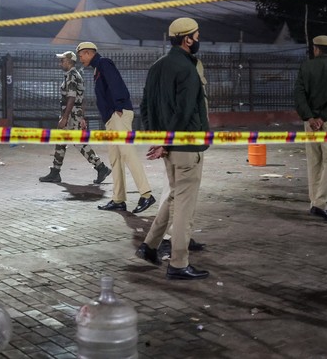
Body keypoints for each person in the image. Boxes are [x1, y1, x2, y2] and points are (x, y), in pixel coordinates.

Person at [135, 18, 210, 280]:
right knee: (184, 209)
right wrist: (166, 141)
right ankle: (178, 263)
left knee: (174, 196)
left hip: (169, 147)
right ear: (187, 39)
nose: (199, 39)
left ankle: (149, 245)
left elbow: (145, 106)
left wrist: (157, 138)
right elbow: (184, 111)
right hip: (186, 146)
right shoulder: (187, 69)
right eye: (197, 35)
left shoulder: (157, 67)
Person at [76, 41, 155, 214]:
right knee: (115, 158)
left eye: (81, 55)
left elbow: (116, 84)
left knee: (127, 154)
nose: (80, 58)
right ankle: (118, 199)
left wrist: (119, 107)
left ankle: (146, 194)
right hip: (111, 119)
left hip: (118, 115)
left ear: (89, 53)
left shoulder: (104, 63)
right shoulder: (97, 69)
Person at [294, 35, 327, 221]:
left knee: (314, 162)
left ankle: (314, 203)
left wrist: (310, 117)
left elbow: (298, 95)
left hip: (310, 124)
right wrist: (323, 117)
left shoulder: (306, 66)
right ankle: (320, 203)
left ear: (316, 49)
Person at [38, 50, 111, 184]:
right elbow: (82, 99)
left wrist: (65, 117)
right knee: (61, 140)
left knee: (78, 142)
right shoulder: (76, 75)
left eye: (63, 60)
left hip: (70, 113)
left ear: (70, 62)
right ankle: (55, 172)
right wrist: (82, 117)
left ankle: (101, 167)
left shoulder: (72, 75)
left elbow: (71, 98)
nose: (61, 63)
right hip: (74, 112)